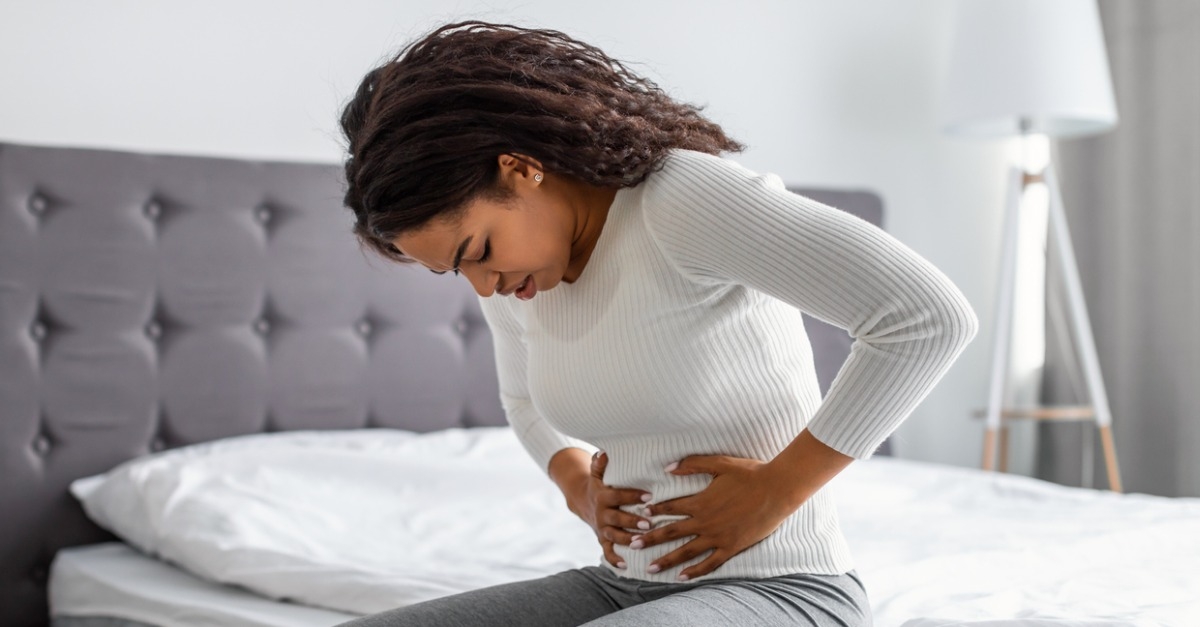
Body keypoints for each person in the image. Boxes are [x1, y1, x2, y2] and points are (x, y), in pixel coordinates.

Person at [336, 20, 978, 627]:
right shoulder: (523, 274)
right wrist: (574, 484)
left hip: (788, 590)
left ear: (522, 168)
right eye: (456, 272)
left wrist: (779, 489)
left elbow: (926, 318)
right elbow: (524, 398)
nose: (483, 285)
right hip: (623, 588)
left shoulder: (680, 200)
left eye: (477, 252)